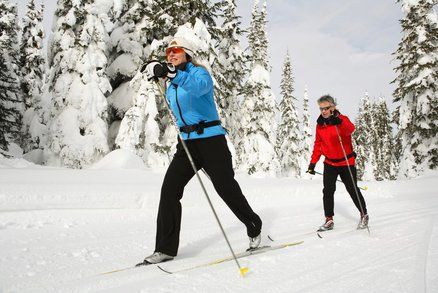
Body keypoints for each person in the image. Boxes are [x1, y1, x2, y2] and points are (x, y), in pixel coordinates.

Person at [136, 37, 262, 265]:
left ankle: (254, 225)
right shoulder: (172, 83)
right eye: (168, 52)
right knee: (169, 190)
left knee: (225, 188)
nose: (171, 55)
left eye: (175, 51)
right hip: (186, 143)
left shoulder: (199, 74)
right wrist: (156, 72)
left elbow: (198, 88)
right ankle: (165, 249)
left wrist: (173, 75)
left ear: (187, 53)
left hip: (211, 140)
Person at [307, 95, 369, 232]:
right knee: (328, 191)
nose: (323, 111)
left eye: (326, 108)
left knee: (352, 189)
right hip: (330, 163)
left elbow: (350, 129)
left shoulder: (342, 119)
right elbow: (318, 145)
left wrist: (339, 121)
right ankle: (329, 220)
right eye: (321, 109)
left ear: (333, 107)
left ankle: (364, 214)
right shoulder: (320, 125)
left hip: (346, 162)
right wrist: (313, 163)